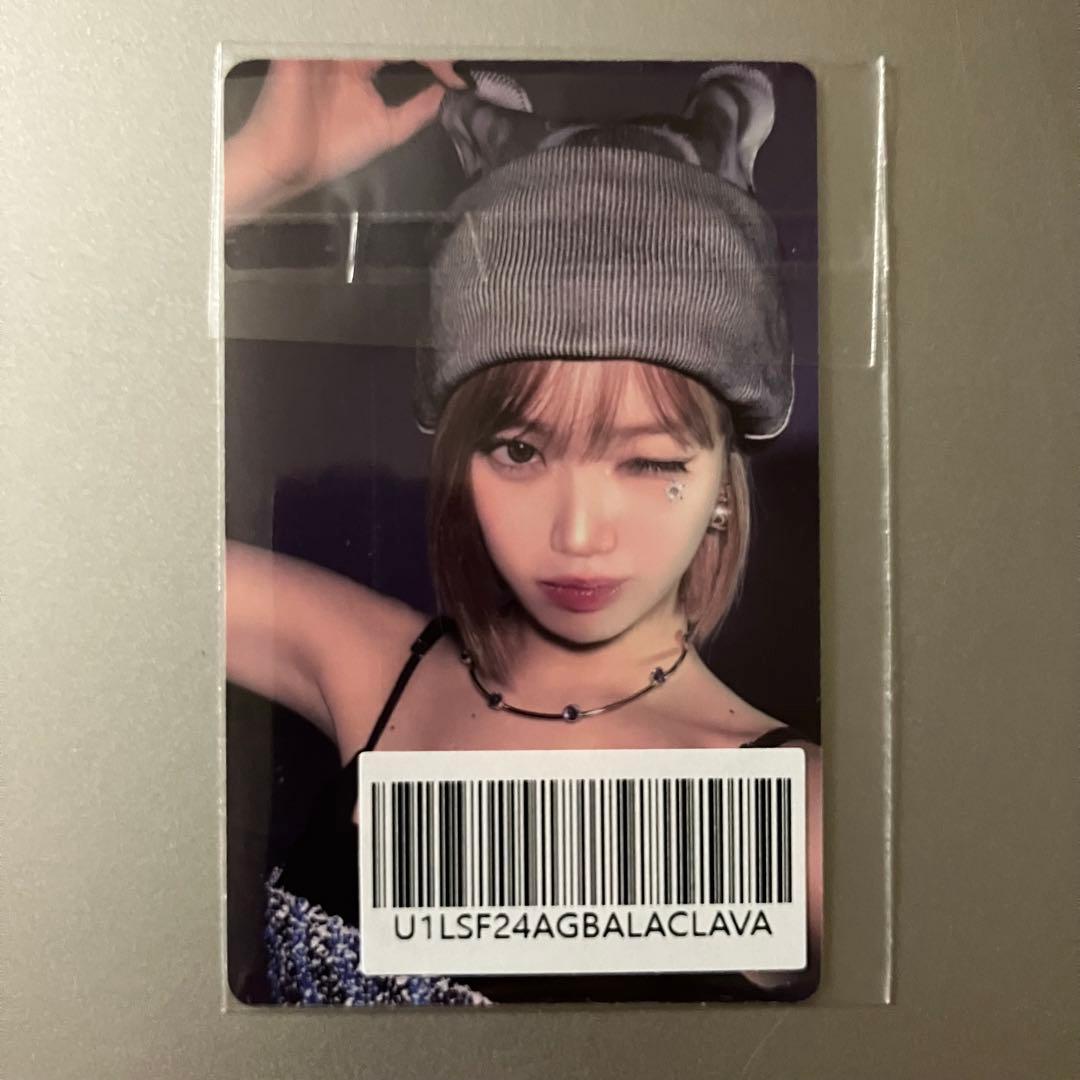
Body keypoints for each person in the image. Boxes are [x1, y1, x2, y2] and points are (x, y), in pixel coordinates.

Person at [223, 59, 822, 1005]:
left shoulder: (813, 824)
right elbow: (67, 540)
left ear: (722, 482)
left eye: (649, 462)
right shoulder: (367, 668)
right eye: (519, 451)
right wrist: (253, 172)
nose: (578, 534)